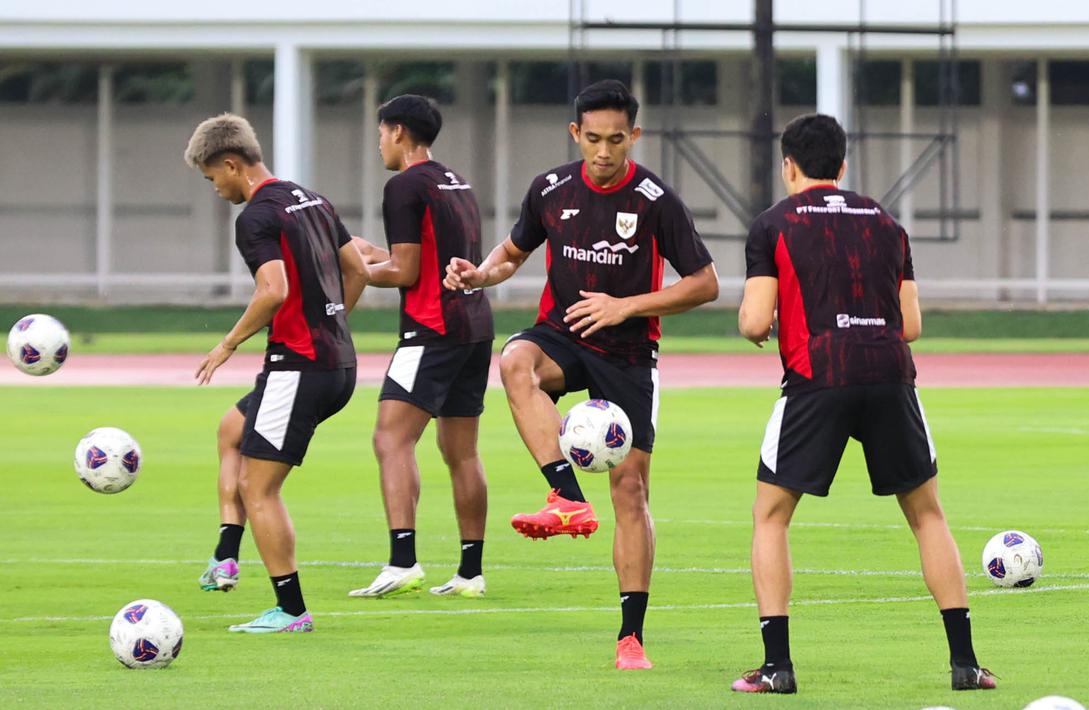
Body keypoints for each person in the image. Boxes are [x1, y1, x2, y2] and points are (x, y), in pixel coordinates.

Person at [444, 79, 718, 670]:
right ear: (575, 133)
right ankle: (566, 495)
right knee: (515, 360)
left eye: (615, 140)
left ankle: (631, 637)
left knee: (631, 490)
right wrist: (478, 274)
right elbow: (513, 254)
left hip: (627, 353)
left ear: (634, 137)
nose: (602, 151)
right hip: (564, 335)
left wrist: (626, 306)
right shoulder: (550, 188)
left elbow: (705, 284)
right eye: (592, 138)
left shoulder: (655, 200)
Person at [730, 114, 995, 694]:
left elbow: (753, 319)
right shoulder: (886, 222)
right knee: (927, 515)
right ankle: (966, 664)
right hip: (890, 374)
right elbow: (913, 324)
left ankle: (777, 668)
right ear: (844, 166)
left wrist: (762, 326)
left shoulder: (773, 223)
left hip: (817, 375)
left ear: (788, 166)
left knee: (771, 517)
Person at [184, 113, 368, 633]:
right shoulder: (312, 198)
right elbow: (357, 270)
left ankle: (291, 610)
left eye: (212, 177)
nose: (215, 188)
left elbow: (273, 290)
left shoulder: (256, 218)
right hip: (334, 362)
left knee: (258, 487)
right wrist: (333, 321)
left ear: (231, 163)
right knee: (231, 430)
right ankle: (226, 554)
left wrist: (227, 343)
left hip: (299, 367)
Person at [347, 94, 494, 600]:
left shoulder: (403, 185)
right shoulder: (456, 181)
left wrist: (355, 268)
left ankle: (402, 561)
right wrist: (375, 254)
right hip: (474, 328)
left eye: (381, 133)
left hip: (430, 330)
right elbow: (423, 256)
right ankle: (470, 574)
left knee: (390, 439)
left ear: (399, 132)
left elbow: (406, 272)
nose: (380, 144)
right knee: (461, 451)